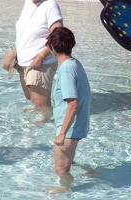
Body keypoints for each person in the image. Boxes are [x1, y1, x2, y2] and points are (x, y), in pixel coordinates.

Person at [45, 27, 92, 193]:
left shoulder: (66, 70)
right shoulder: (74, 63)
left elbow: (73, 103)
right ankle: (92, 172)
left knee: (60, 168)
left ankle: (65, 189)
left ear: (52, 46)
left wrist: (62, 133)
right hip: (75, 125)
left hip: (70, 128)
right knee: (67, 160)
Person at [14, 0, 63, 123]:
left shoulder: (50, 5)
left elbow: (58, 35)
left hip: (41, 63)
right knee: (32, 99)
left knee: (43, 107)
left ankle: (44, 133)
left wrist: (41, 56)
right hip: (24, 63)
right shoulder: (28, 3)